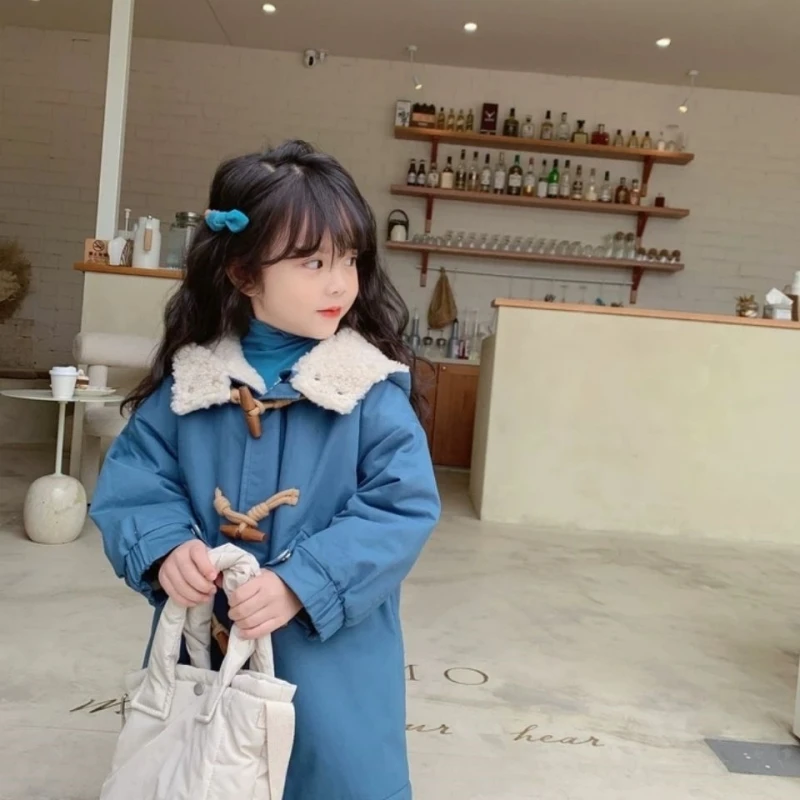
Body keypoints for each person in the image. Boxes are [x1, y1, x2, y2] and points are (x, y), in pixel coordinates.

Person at [90, 140, 441, 800]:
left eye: (349, 259)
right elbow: (136, 478)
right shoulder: (194, 383)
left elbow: (401, 507)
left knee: (332, 775)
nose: (339, 283)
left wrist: (303, 583)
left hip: (333, 657)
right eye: (313, 262)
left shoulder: (367, 389)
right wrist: (165, 548)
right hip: (210, 648)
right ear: (244, 274)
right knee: (206, 773)